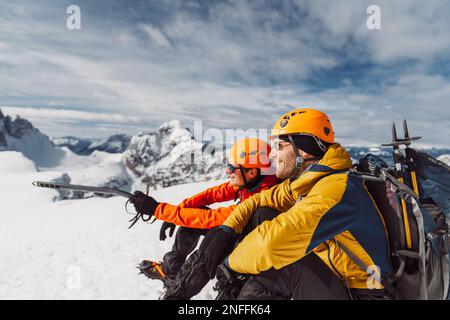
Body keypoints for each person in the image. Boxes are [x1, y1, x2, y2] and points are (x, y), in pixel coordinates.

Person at [164, 108, 393, 300]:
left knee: (279, 265)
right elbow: (259, 200)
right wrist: (227, 230)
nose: (272, 156)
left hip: (363, 292)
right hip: (334, 278)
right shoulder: (308, 180)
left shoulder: (335, 189)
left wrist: (230, 264)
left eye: (280, 146)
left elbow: (271, 243)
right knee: (262, 215)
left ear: (302, 150)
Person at [130, 138, 279, 284]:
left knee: (201, 225)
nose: (228, 170)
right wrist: (178, 210)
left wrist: (158, 210)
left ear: (252, 172)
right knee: (194, 214)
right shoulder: (255, 181)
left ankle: (179, 279)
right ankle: (172, 270)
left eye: (233, 167)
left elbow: (209, 218)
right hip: (239, 236)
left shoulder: (262, 196)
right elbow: (211, 194)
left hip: (244, 249)